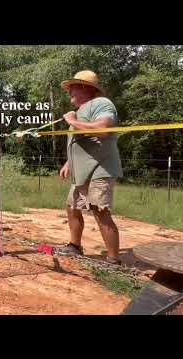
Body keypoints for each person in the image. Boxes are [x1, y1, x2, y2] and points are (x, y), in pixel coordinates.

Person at [53, 70, 123, 265]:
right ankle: (74, 247)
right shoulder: (80, 112)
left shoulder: (102, 103)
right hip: (81, 171)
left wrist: (72, 121)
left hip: (100, 168)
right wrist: (69, 162)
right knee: (72, 207)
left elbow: (102, 130)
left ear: (85, 87)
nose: (69, 91)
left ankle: (113, 261)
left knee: (100, 210)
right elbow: (79, 142)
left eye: (72, 87)